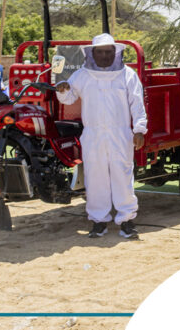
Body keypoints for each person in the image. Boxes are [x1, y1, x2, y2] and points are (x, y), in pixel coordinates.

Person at [56, 33, 147, 239]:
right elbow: (68, 98)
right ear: (92, 53)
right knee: (95, 178)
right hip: (93, 134)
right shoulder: (82, 75)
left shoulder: (128, 75)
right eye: (100, 52)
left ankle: (126, 220)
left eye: (108, 52)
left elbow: (137, 103)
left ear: (115, 53)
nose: (105, 56)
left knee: (123, 176)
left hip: (120, 134)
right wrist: (62, 90)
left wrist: (139, 129)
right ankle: (99, 221)